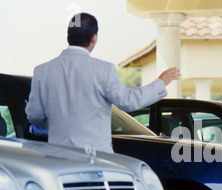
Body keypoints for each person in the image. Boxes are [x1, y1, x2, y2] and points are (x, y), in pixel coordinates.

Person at [26, 12, 180, 154]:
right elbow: (128, 101)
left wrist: (56, 122)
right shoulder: (104, 70)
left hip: (59, 159)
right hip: (97, 159)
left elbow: (35, 115)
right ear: (94, 38)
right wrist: (161, 82)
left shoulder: (42, 71)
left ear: (68, 36)